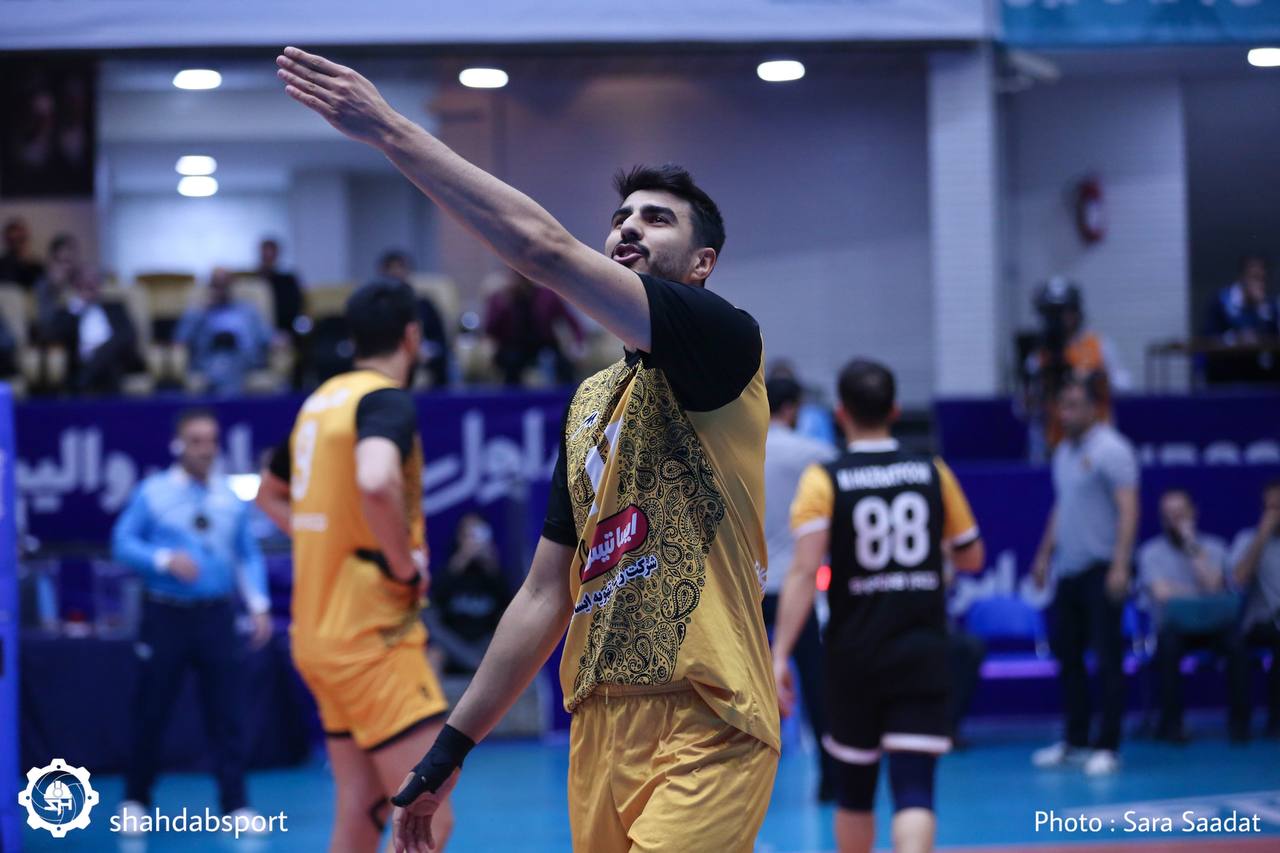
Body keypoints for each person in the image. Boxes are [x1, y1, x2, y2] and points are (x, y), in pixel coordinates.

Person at [274, 45, 779, 851]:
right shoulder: (589, 404)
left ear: (701, 263)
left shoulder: (723, 341)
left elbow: (542, 250)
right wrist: (450, 749)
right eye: (621, 216)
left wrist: (390, 131)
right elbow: (545, 593)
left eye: (657, 218)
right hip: (599, 727)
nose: (628, 226)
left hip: (707, 716)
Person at [254, 280, 453, 852]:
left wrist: (328, 540)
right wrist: (402, 566)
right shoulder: (385, 400)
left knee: (362, 808)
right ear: (412, 337)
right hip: (372, 638)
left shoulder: (321, 403)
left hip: (319, 637)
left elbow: (268, 494)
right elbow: (375, 479)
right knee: (429, 819)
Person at [774, 358, 984, 853]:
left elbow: (803, 571)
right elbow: (972, 556)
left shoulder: (825, 479)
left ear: (840, 413)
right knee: (914, 791)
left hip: (854, 657)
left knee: (854, 797)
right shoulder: (932, 472)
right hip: (921, 651)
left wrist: (779, 652)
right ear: (894, 410)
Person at [110, 408, 272, 830]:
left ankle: (235, 805)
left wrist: (258, 605)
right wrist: (163, 559)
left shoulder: (229, 498)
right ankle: (135, 799)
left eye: (212, 440)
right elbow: (122, 542)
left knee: (227, 712)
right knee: (151, 709)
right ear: (178, 444)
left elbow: (247, 554)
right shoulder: (153, 492)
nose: (206, 449)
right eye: (196, 441)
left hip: (216, 615)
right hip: (165, 614)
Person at [1031, 376, 1139, 776]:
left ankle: (1108, 746)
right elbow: (1062, 507)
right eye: (1062, 406)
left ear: (1095, 408)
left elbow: (1128, 509)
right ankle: (1076, 741)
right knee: (1069, 657)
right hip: (1070, 570)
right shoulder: (1062, 452)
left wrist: (1121, 564)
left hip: (1103, 568)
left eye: (1074, 405)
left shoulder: (1113, 450)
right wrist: (1044, 555)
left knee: (1108, 659)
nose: (1065, 413)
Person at [761, 374, 838, 800]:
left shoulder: (740, 448)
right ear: (792, 408)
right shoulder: (817, 453)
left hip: (751, 587)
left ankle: (741, 781)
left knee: (743, 683)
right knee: (816, 683)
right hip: (799, 587)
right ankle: (831, 777)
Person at [1136, 488, 1247, 742]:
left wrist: (1191, 546)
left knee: (1237, 645)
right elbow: (1162, 594)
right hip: (1174, 627)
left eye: (1180, 513)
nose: (1174, 520)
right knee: (1168, 647)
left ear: (1193, 513)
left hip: (1215, 626)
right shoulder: (1150, 552)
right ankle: (1172, 726)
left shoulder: (1215, 547)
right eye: (1168, 515)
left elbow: (1213, 587)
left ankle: (1240, 725)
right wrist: (1200, 594)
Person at [1023, 279, 1130, 456]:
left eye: (1064, 311)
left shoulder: (1098, 345)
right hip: (1054, 445)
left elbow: (1125, 385)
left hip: (1097, 444)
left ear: (1076, 311)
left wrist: (1096, 377)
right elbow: (1025, 409)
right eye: (1051, 312)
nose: (1059, 318)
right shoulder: (1038, 355)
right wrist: (1035, 392)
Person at [425, 514, 512, 675]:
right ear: (460, 537)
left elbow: (508, 606)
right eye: (470, 535)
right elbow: (435, 601)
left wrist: (492, 567)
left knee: (508, 652)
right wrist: (462, 558)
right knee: (434, 655)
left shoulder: (493, 572)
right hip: (453, 643)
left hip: (485, 643)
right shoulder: (450, 569)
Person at [1229, 479, 1280, 737]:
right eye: (1270, 507)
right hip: (1260, 623)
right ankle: (1241, 724)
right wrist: (1262, 536)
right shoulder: (1248, 539)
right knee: (1235, 646)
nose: (1275, 513)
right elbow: (1238, 580)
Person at [44, 267, 143, 394]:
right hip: (83, 361)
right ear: (77, 286)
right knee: (106, 367)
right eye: (86, 283)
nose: (90, 286)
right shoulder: (69, 312)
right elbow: (52, 336)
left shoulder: (115, 307)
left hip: (116, 358)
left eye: (94, 282)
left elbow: (128, 334)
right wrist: (75, 309)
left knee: (108, 356)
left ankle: (83, 381)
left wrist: (101, 351)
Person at [175, 267, 273, 395]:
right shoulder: (199, 311)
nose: (221, 290)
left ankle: (221, 401)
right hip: (210, 356)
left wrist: (279, 339)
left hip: (242, 356)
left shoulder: (247, 310)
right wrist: (201, 312)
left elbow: (266, 335)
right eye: (217, 285)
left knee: (226, 366)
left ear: (231, 286)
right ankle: (229, 402)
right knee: (221, 365)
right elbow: (181, 337)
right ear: (210, 287)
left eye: (224, 285)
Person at [483, 270, 583, 386]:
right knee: (511, 366)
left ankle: (569, 395)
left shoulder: (547, 296)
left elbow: (571, 321)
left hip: (544, 344)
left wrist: (578, 345)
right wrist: (503, 305)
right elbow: (490, 329)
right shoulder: (501, 298)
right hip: (513, 346)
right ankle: (512, 396)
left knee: (564, 366)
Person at [373, 250, 450, 388]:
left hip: (421, 360)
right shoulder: (375, 306)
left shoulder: (424, 305)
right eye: (390, 268)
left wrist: (423, 352)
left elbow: (440, 342)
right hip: (387, 358)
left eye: (400, 267)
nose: (396, 272)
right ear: (382, 273)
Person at [1202, 255, 1280, 384]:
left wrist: (1261, 310)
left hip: (1258, 372)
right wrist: (1235, 338)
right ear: (1242, 278)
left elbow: (1273, 338)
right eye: (1254, 277)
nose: (1259, 284)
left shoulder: (1268, 305)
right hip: (1227, 369)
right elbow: (1208, 336)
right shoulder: (1220, 301)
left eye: (1262, 279)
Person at [256, 237, 304, 337]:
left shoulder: (288, 281)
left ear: (276, 256)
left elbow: (296, 307)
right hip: (257, 329)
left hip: (284, 329)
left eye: (271, 256)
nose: (268, 260)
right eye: (265, 256)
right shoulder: (253, 280)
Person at [0, 217, 43, 288]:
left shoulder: (37, 267)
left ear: (26, 239)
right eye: (12, 240)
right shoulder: (1, 266)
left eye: (20, 239)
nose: (16, 244)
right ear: (6, 241)